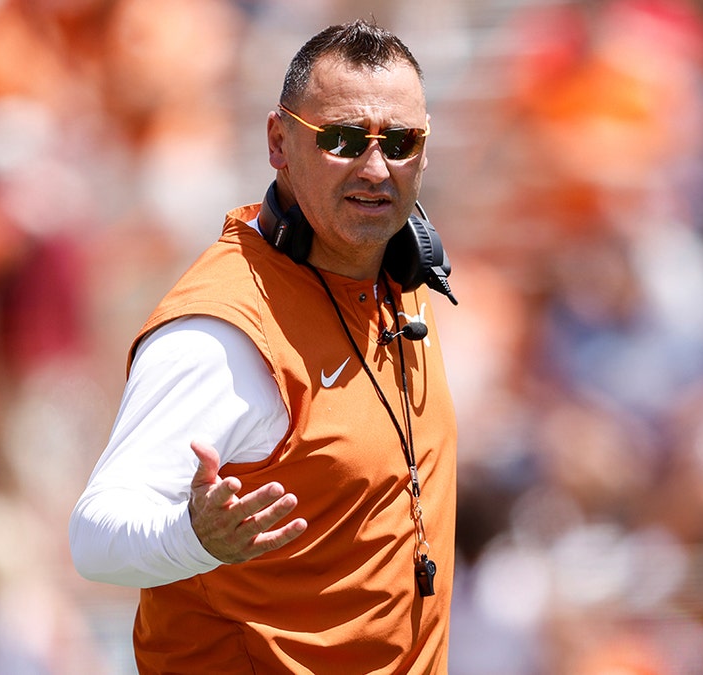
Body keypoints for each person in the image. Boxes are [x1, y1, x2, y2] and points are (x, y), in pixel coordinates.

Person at [69, 19, 458, 674]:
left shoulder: (405, 277)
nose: (374, 166)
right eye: (340, 139)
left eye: (399, 142)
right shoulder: (222, 330)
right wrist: (192, 537)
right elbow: (94, 535)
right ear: (279, 141)